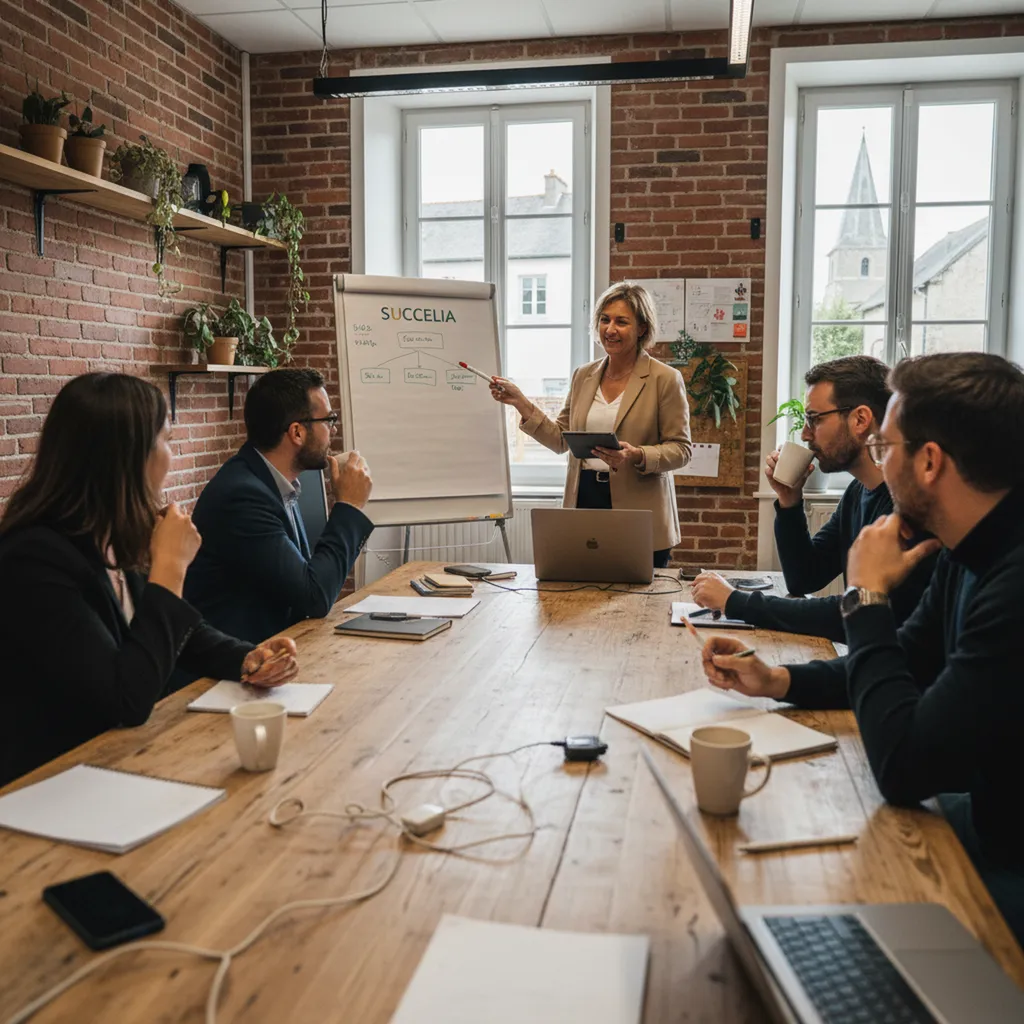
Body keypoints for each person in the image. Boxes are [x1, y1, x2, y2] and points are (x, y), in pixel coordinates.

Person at [700, 352, 1024, 947]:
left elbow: (903, 769)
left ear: (929, 461)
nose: (879, 457)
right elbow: (903, 653)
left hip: (1005, 859)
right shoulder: (964, 551)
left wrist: (867, 595)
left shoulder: (1010, 584)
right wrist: (780, 682)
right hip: (980, 816)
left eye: (887, 446)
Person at [0, 373, 298, 788]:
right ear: (126, 457)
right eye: (167, 440)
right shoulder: (34, 560)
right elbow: (126, 700)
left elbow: (184, 636)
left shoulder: (104, 536)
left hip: (113, 766)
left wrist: (247, 658)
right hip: (46, 787)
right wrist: (170, 568)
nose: (171, 456)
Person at [692, 355, 936, 641]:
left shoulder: (909, 507)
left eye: (814, 419)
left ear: (860, 419)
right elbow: (805, 577)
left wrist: (736, 602)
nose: (806, 434)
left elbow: (852, 614)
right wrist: (789, 501)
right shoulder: (857, 493)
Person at [490, 282, 691, 568]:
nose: (610, 329)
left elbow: (682, 449)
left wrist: (637, 455)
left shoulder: (665, 379)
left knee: (639, 602)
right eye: (604, 319)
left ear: (642, 329)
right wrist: (520, 402)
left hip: (640, 507)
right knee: (583, 593)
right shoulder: (583, 376)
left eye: (622, 322)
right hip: (583, 497)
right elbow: (561, 440)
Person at [185, 368, 374, 645]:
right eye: (328, 420)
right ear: (297, 432)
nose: (333, 430)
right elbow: (314, 597)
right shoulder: (244, 497)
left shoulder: (273, 480)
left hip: (271, 654)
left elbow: (302, 587)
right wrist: (348, 505)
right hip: (226, 671)